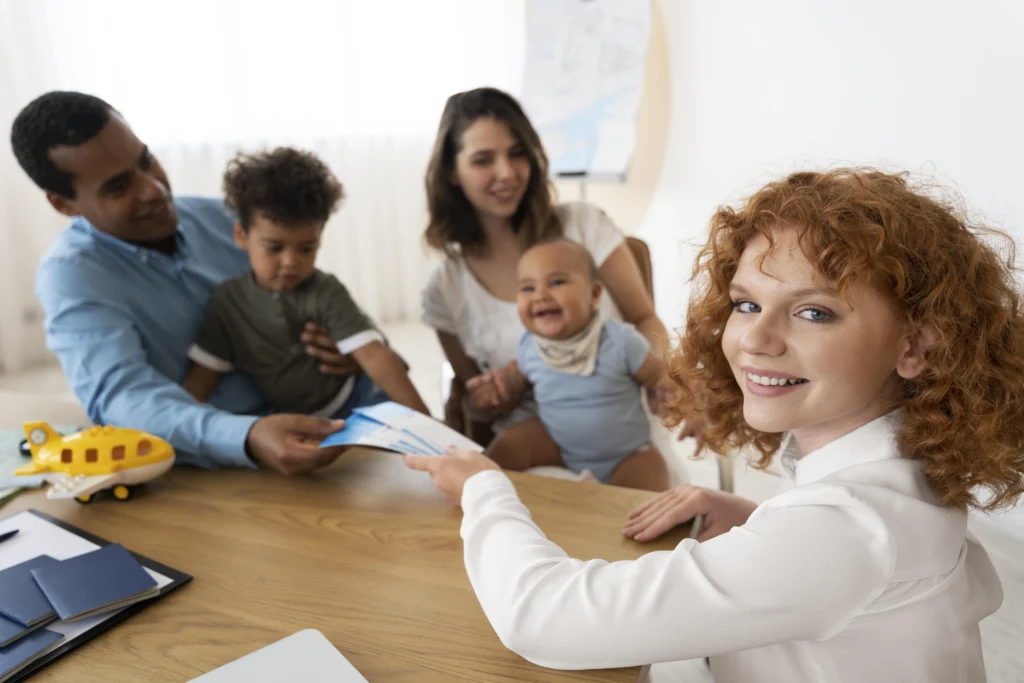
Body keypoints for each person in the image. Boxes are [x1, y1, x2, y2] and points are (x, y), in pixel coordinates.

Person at [406, 168, 1024, 682]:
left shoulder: (845, 532)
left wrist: (485, 488)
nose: (755, 337)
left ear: (914, 347)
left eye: (814, 311)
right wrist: (758, 520)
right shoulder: (898, 479)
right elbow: (851, 572)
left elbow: (541, 617)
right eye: (747, 303)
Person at [11, 91, 372, 474]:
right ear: (64, 205)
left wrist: (347, 344)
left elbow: (327, 297)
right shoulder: (71, 276)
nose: (154, 189)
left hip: (333, 420)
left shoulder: (223, 218)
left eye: (146, 161)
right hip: (223, 469)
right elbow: (122, 398)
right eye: (118, 186)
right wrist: (246, 435)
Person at [421, 87, 682, 449]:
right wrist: (492, 397)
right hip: (534, 452)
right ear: (451, 172)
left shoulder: (583, 225)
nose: (506, 172)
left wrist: (658, 377)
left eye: (517, 154)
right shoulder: (444, 289)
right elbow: (476, 406)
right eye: (483, 160)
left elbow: (644, 318)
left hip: (624, 436)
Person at [183, 147, 429, 418]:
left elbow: (374, 356)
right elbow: (203, 377)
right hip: (295, 419)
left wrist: (427, 423)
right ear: (242, 235)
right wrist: (184, 426)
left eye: (306, 249)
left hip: (359, 398)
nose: (290, 262)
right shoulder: (227, 302)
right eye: (275, 248)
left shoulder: (324, 290)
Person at [470, 238, 670, 490]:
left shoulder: (619, 340)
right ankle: (481, 489)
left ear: (594, 294)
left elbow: (660, 375)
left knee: (651, 473)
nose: (540, 295)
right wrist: (498, 388)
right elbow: (518, 379)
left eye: (557, 282)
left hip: (626, 454)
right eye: (527, 288)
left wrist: (674, 393)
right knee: (511, 442)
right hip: (559, 445)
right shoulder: (530, 346)